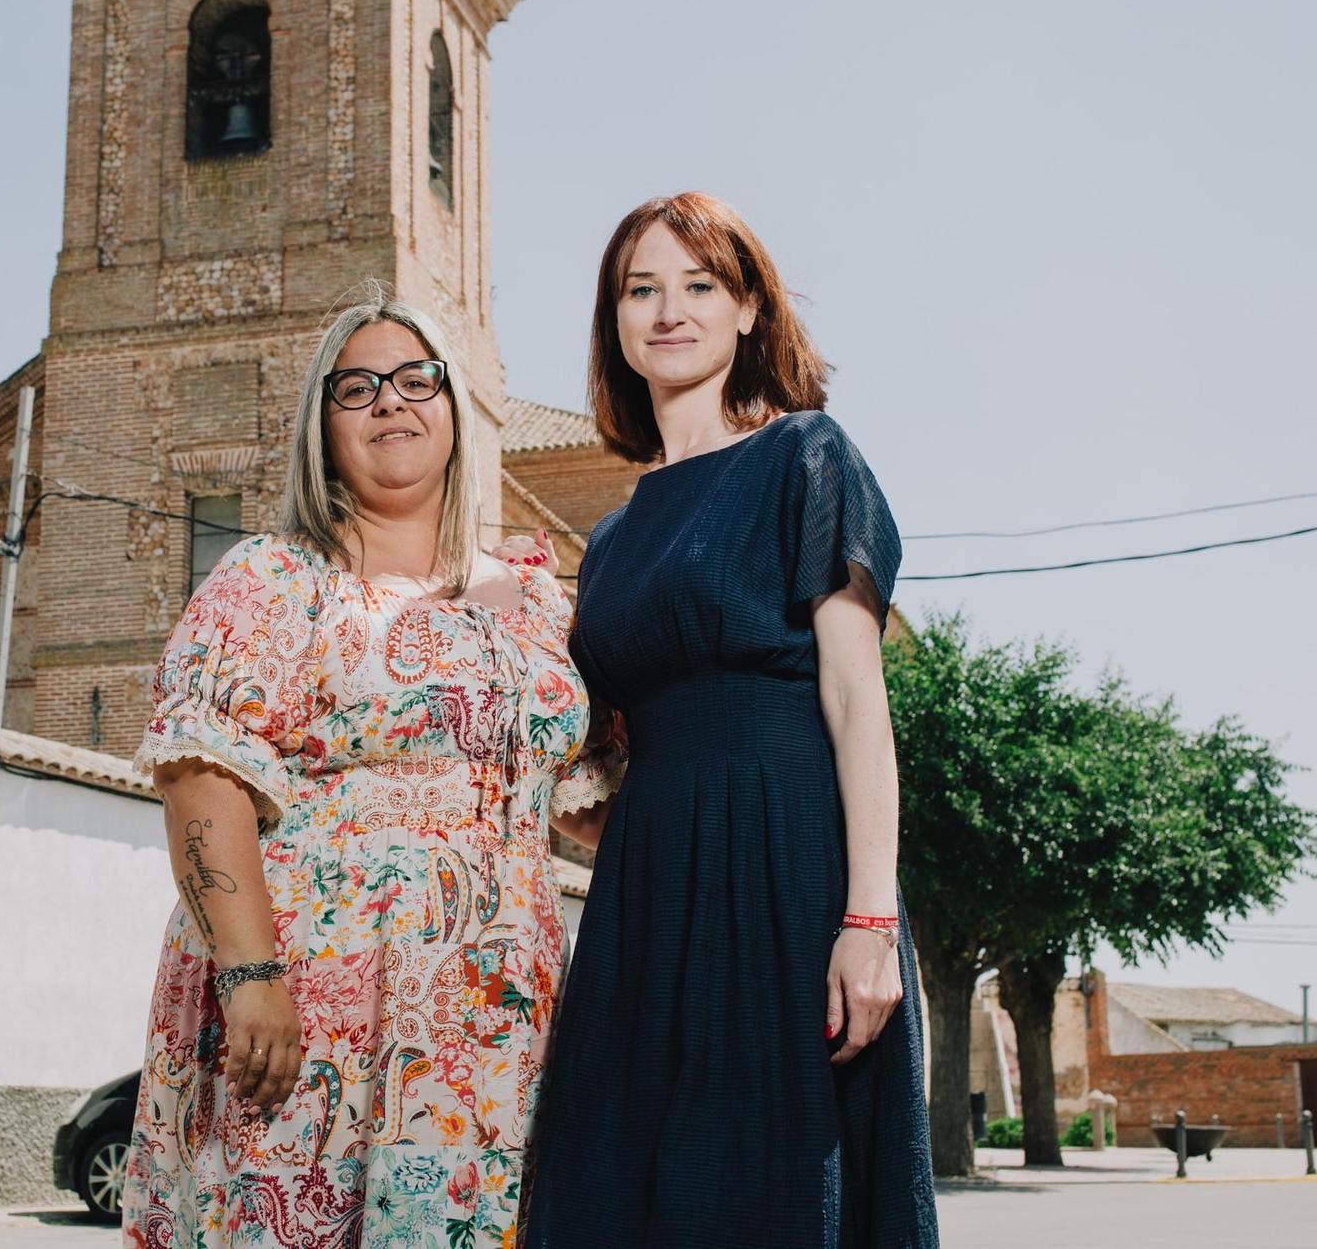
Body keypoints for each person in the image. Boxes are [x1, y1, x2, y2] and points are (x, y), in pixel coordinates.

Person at [121, 285, 614, 1247]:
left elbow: (586, 803)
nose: (390, 400)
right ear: (324, 423)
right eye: (357, 388)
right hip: (308, 1017)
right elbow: (199, 772)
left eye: (414, 377)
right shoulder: (273, 579)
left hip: (494, 1034)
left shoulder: (540, 605)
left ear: (453, 406)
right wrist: (249, 972)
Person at [526, 194, 940, 1246]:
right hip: (644, 893)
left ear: (748, 309)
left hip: (787, 865)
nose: (668, 311)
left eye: (698, 285)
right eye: (640, 289)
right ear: (612, 321)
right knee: (619, 1180)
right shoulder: (612, 539)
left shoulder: (804, 457)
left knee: (763, 1184)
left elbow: (854, 700)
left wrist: (867, 922)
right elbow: (596, 750)